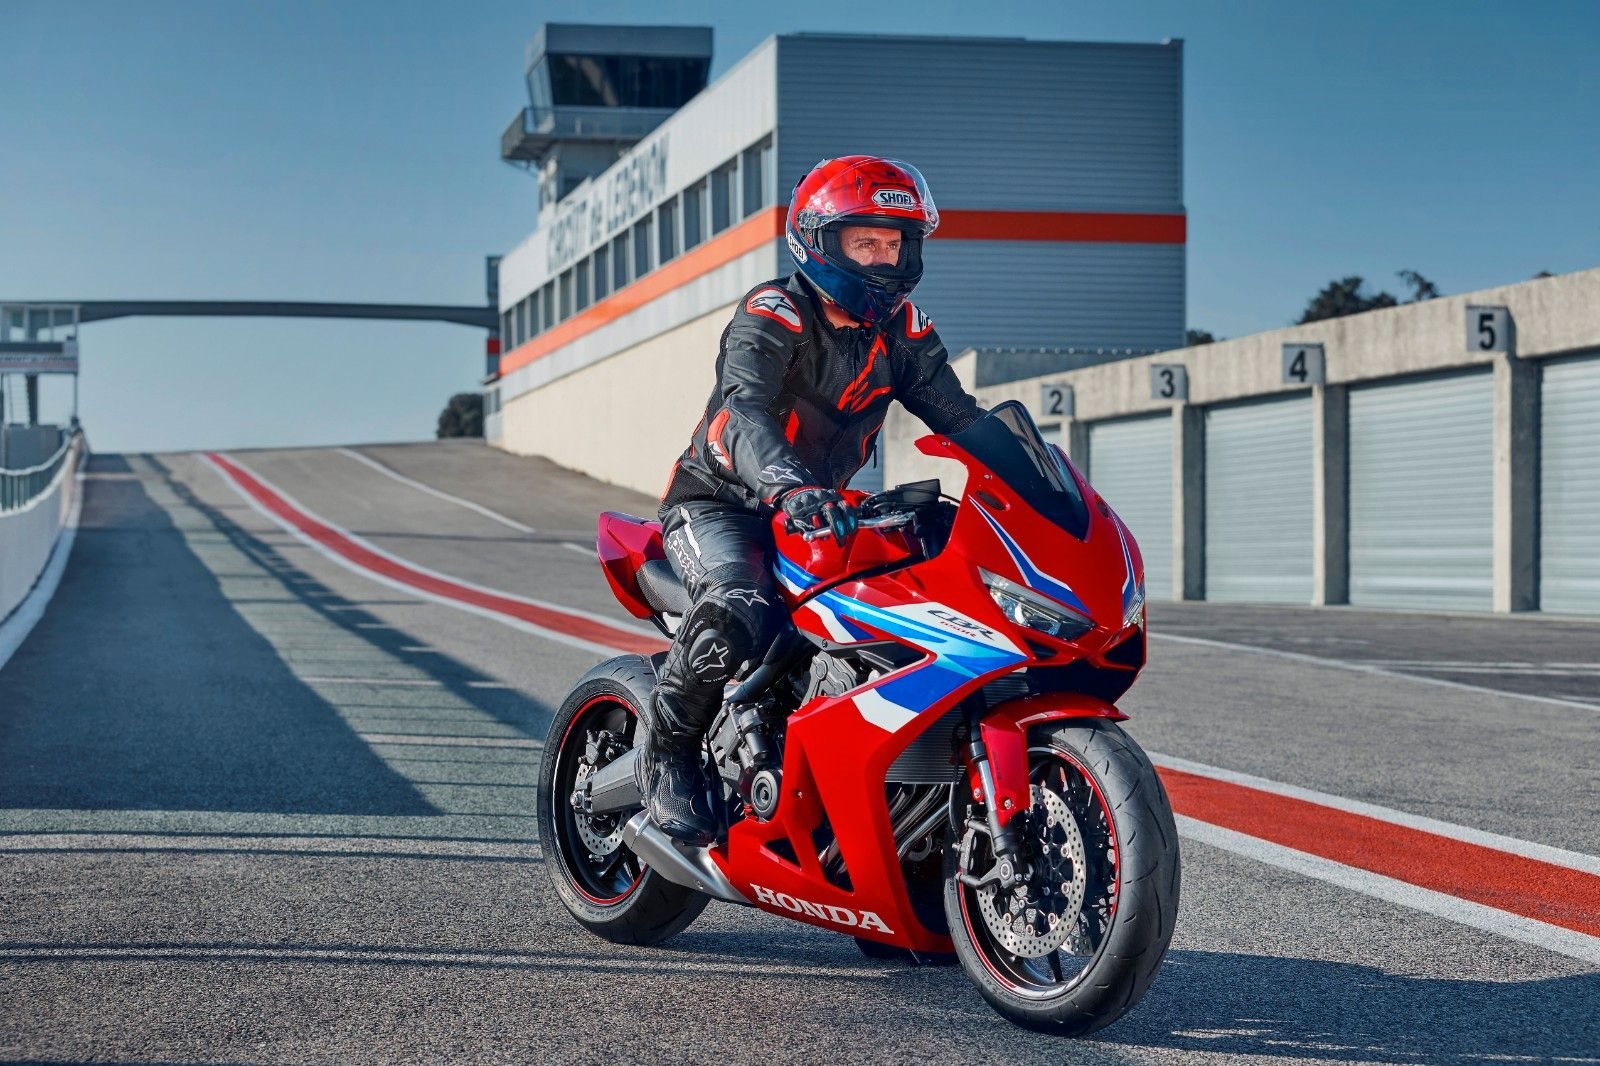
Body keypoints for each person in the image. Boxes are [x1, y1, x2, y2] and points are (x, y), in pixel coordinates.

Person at [642, 155, 985, 844]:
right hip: (721, 503)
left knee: (926, 606)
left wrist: (1039, 476)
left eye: (894, 243)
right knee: (741, 602)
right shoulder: (775, 313)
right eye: (865, 242)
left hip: (821, 512)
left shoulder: (903, 332)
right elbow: (744, 412)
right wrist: (790, 485)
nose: (884, 258)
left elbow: (963, 419)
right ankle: (667, 752)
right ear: (820, 243)